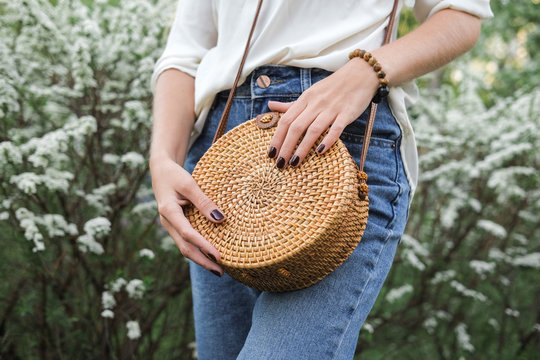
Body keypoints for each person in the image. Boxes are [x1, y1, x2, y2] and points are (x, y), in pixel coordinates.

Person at [150, 1, 493, 358]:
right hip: (222, 161)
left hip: (339, 137)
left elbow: (462, 14)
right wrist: (162, 159)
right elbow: (185, 52)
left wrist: (366, 70)